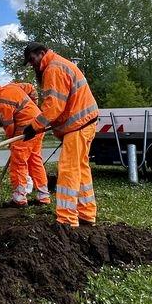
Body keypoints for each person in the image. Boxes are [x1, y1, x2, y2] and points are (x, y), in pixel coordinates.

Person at [20, 42, 99, 228]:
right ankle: (87, 214)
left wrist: (34, 126)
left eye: (32, 60)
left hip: (78, 126)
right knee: (80, 168)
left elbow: (53, 107)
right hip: (84, 123)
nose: (32, 65)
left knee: (69, 169)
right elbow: (59, 106)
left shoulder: (53, 69)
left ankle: (66, 219)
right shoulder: (57, 64)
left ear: (41, 53)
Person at [0, 81, 50, 207]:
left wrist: (12, 141)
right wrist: (34, 106)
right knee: (35, 161)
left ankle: (19, 198)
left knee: (18, 163)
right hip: (39, 124)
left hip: (25, 129)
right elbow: (30, 87)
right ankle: (43, 196)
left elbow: (9, 126)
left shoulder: (0, 103)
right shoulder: (12, 86)